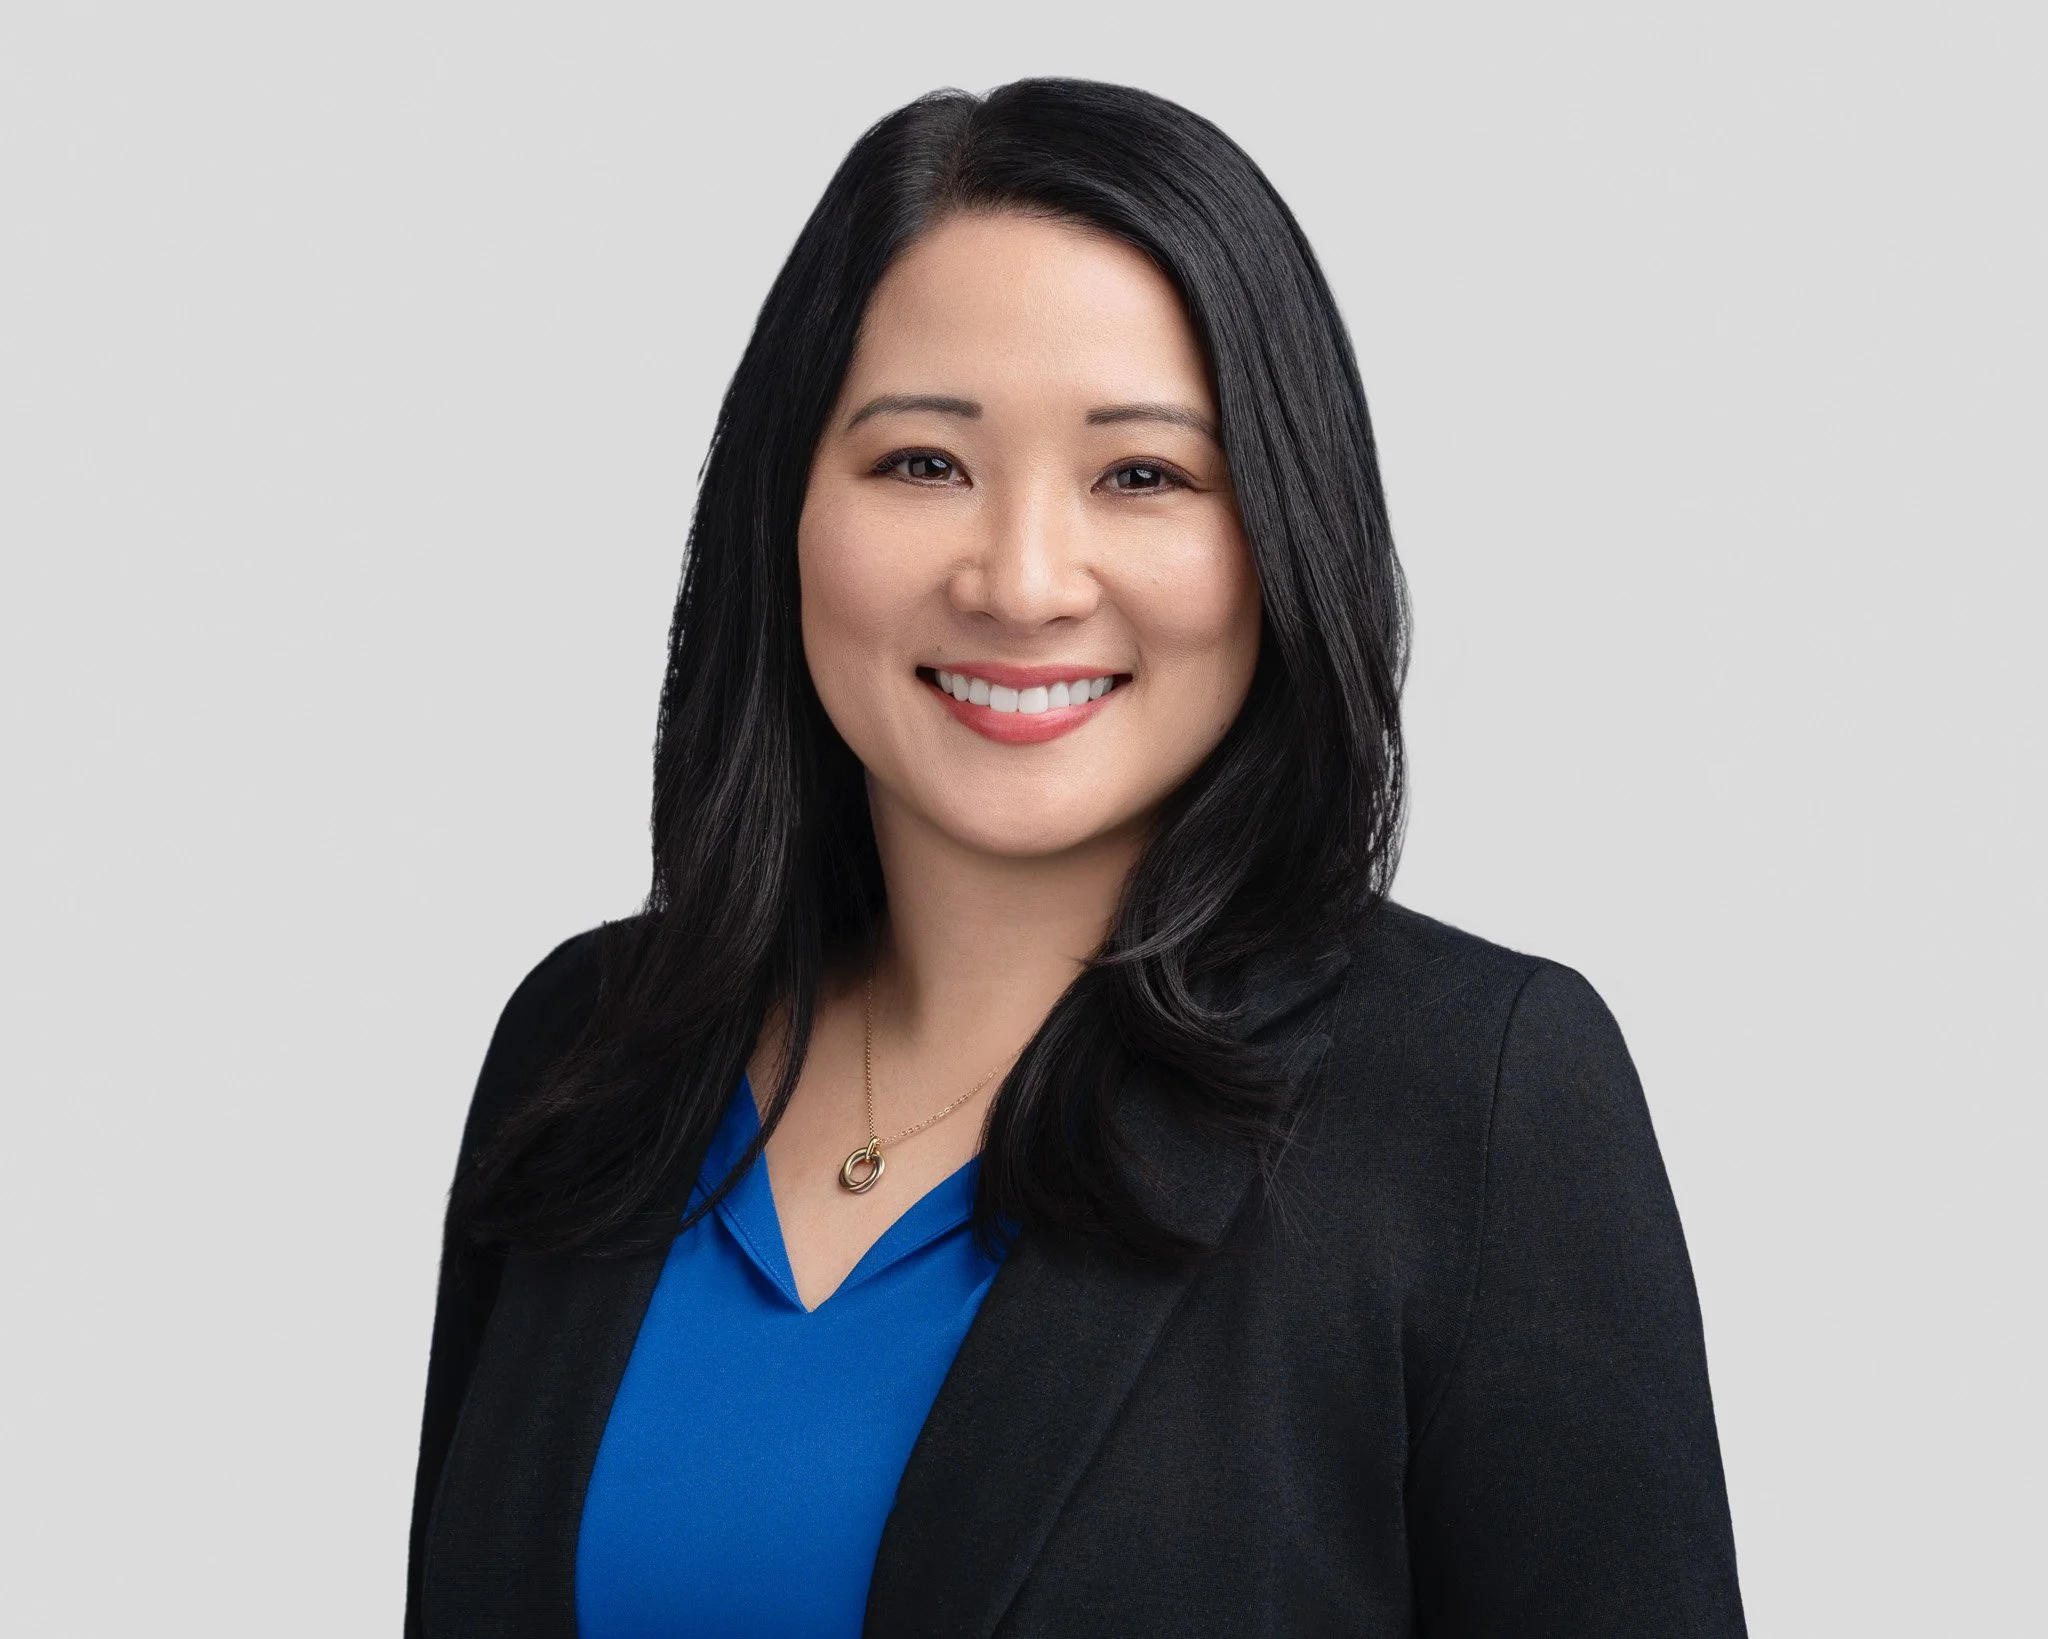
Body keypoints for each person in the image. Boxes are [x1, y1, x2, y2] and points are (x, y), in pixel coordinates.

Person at [406, 78, 1747, 1639]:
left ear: (1282, 535)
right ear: (787, 504)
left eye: (1143, 476)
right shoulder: (585, 1047)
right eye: (922, 463)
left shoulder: (1478, 1101)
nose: (1024, 579)